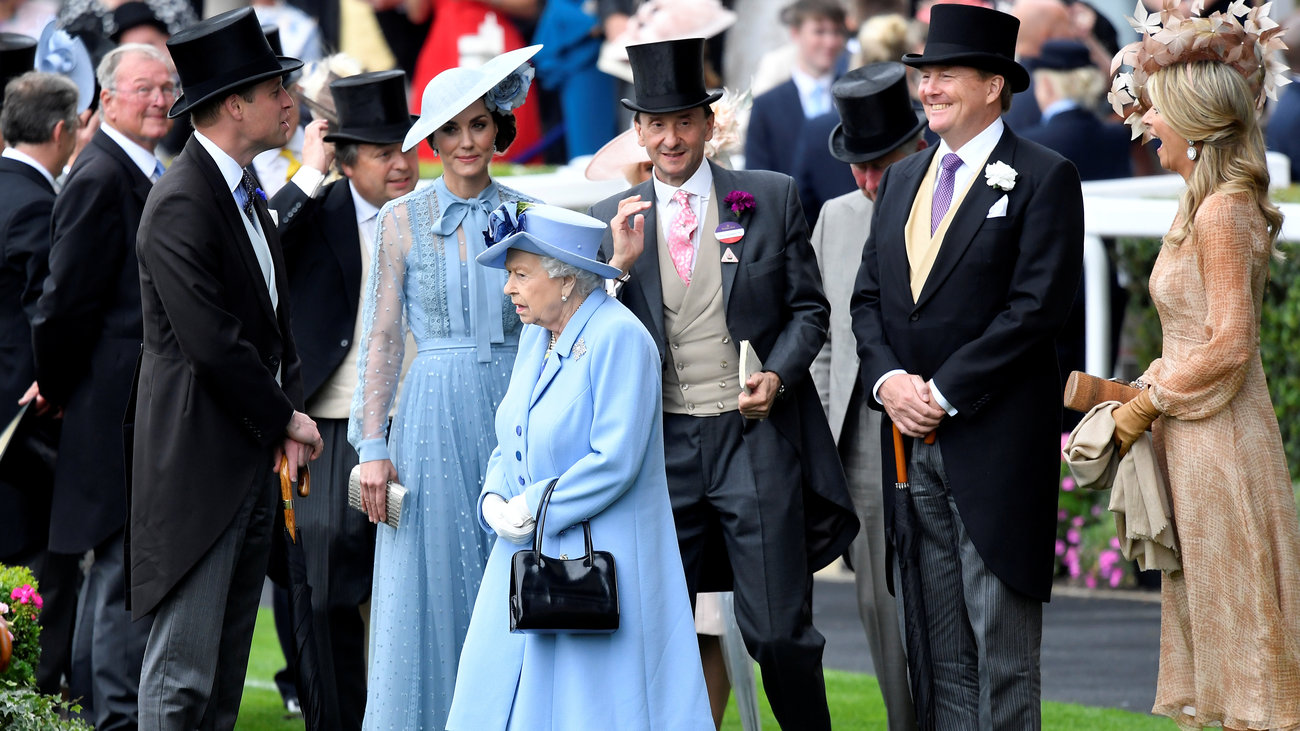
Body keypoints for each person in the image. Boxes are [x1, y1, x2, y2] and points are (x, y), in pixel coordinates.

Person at [591, 37, 859, 731]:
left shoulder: (768, 197)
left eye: (684, 120)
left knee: (777, 633)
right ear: (639, 132)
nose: (671, 137)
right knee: (655, 634)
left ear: (710, 125)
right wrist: (615, 273)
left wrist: (777, 373)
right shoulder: (612, 221)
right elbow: (594, 341)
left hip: (756, 440)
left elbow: (810, 311)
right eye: (656, 123)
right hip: (661, 447)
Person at [850, 5, 1083, 728]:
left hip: (996, 448)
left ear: (992, 85)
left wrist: (944, 392)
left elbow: (1035, 308)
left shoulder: (1045, 176)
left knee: (1004, 660)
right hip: (909, 449)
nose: (930, 89)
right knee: (940, 654)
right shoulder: (903, 179)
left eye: (946, 75)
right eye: (925, 76)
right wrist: (891, 384)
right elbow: (868, 299)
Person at [446, 202, 713, 730]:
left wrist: (534, 504)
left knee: (591, 709)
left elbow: (616, 459)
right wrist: (496, 497)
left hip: (596, 560)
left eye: (520, 274)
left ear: (566, 279)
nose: (509, 289)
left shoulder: (622, 338)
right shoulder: (534, 337)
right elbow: (513, 428)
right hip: (526, 552)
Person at [128, 9, 322, 730]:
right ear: (235, 103)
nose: (289, 100)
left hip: (243, 458)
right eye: (276, 86)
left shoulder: (245, 193)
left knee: (219, 687)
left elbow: (275, 326)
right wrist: (289, 417)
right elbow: (212, 342)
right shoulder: (181, 200)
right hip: (197, 468)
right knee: (181, 679)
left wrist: (283, 417)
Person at [1108, 6, 1300, 727]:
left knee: (1242, 622)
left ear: (1191, 122)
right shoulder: (1205, 202)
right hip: (1193, 435)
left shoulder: (1223, 210)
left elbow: (1230, 344)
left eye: (1156, 113)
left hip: (1221, 438)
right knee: (1215, 616)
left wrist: (1147, 398)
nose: (1146, 123)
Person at [348, 46, 540, 731]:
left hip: (513, 412)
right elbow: (382, 338)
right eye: (451, 128)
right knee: (422, 591)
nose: (466, 141)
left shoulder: (526, 211)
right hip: (426, 419)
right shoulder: (401, 219)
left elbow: (548, 325)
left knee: (513, 572)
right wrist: (373, 444)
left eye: (479, 124)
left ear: (499, 131)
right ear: (431, 139)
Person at [269, 68, 419, 731]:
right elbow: (259, 244)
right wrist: (310, 168)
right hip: (331, 422)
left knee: (418, 585)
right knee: (326, 584)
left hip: (417, 419)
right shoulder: (313, 209)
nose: (402, 163)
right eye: (385, 152)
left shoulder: (433, 212)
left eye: (408, 147)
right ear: (346, 157)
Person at [29, 42, 173, 730]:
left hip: (120, 402)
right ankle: (112, 715)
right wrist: (56, 384)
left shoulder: (132, 168)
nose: (159, 100)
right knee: (120, 566)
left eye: (168, 88)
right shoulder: (102, 173)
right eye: (144, 88)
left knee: (115, 566)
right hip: (111, 405)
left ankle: (95, 708)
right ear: (106, 100)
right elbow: (65, 302)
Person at [809, 61, 924, 731]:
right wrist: (827, 440)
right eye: (857, 162)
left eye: (878, 161)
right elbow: (823, 339)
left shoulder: (950, 203)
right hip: (860, 440)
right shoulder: (836, 215)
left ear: (916, 144)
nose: (867, 177)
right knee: (880, 611)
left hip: (943, 430)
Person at [0, 67, 80, 698]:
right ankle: (31, 698)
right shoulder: (37, 205)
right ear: (63, 130)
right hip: (21, 430)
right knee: (35, 577)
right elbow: (44, 314)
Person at [746, 0, 849, 225]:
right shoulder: (767, 105)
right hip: (786, 227)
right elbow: (756, 177)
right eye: (820, 32)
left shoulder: (853, 99)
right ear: (795, 33)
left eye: (836, 32)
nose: (830, 42)